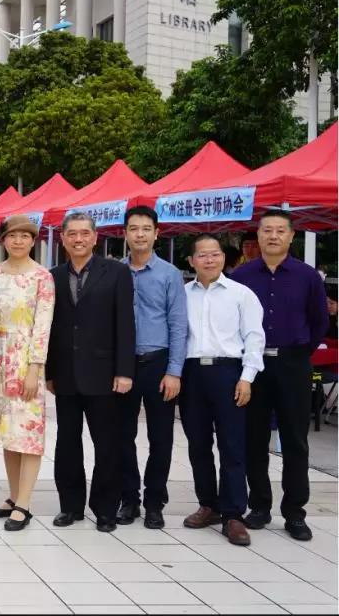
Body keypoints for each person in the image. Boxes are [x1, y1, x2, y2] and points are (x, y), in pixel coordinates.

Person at [230, 209, 328, 541]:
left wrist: (298, 351)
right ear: (258, 236)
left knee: (295, 440)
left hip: (293, 363)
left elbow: (319, 321)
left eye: (280, 231)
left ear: (290, 236)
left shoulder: (307, 276)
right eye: (267, 230)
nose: (273, 236)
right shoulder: (242, 276)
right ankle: (259, 506)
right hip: (252, 366)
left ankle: (295, 513)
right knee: (254, 438)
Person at [47, 211, 135, 532]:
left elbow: (125, 324)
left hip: (104, 374)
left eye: (85, 233)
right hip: (65, 375)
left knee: (107, 445)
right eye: (72, 234)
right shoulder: (53, 276)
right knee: (67, 444)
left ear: (95, 237)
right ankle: (70, 507)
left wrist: (124, 371)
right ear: (63, 238)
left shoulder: (117, 272)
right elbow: (49, 328)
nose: (79, 239)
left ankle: (105, 508)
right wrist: (49, 372)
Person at [181, 234, 264, 546]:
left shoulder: (241, 294)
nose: (209, 259)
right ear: (192, 261)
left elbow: (254, 337)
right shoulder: (182, 294)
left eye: (215, 254)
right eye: (202, 255)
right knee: (198, 444)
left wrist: (247, 377)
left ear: (223, 258)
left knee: (232, 445)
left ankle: (233, 514)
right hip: (191, 373)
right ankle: (208, 505)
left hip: (229, 372)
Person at [117, 206, 187, 529]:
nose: (140, 234)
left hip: (158, 364)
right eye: (134, 228)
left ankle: (155, 501)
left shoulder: (170, 275)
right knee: (122, 435)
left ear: (157, 233)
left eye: (146, 228)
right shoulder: (115, 272)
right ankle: (129, 499)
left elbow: (178, 325)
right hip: (123, 365)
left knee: (161, 438)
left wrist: (174, 371)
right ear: (125, 234)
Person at [0, 215, 55, 531]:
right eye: (12, 236)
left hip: (26, 359)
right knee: (8, 432)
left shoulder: (42, 277)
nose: (18, 241)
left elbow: (43, 325)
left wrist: (35, 368)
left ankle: (24, 504)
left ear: (33, 241)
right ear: (3, 240)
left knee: (28, 432)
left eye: (24, 236)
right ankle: (13, 497)